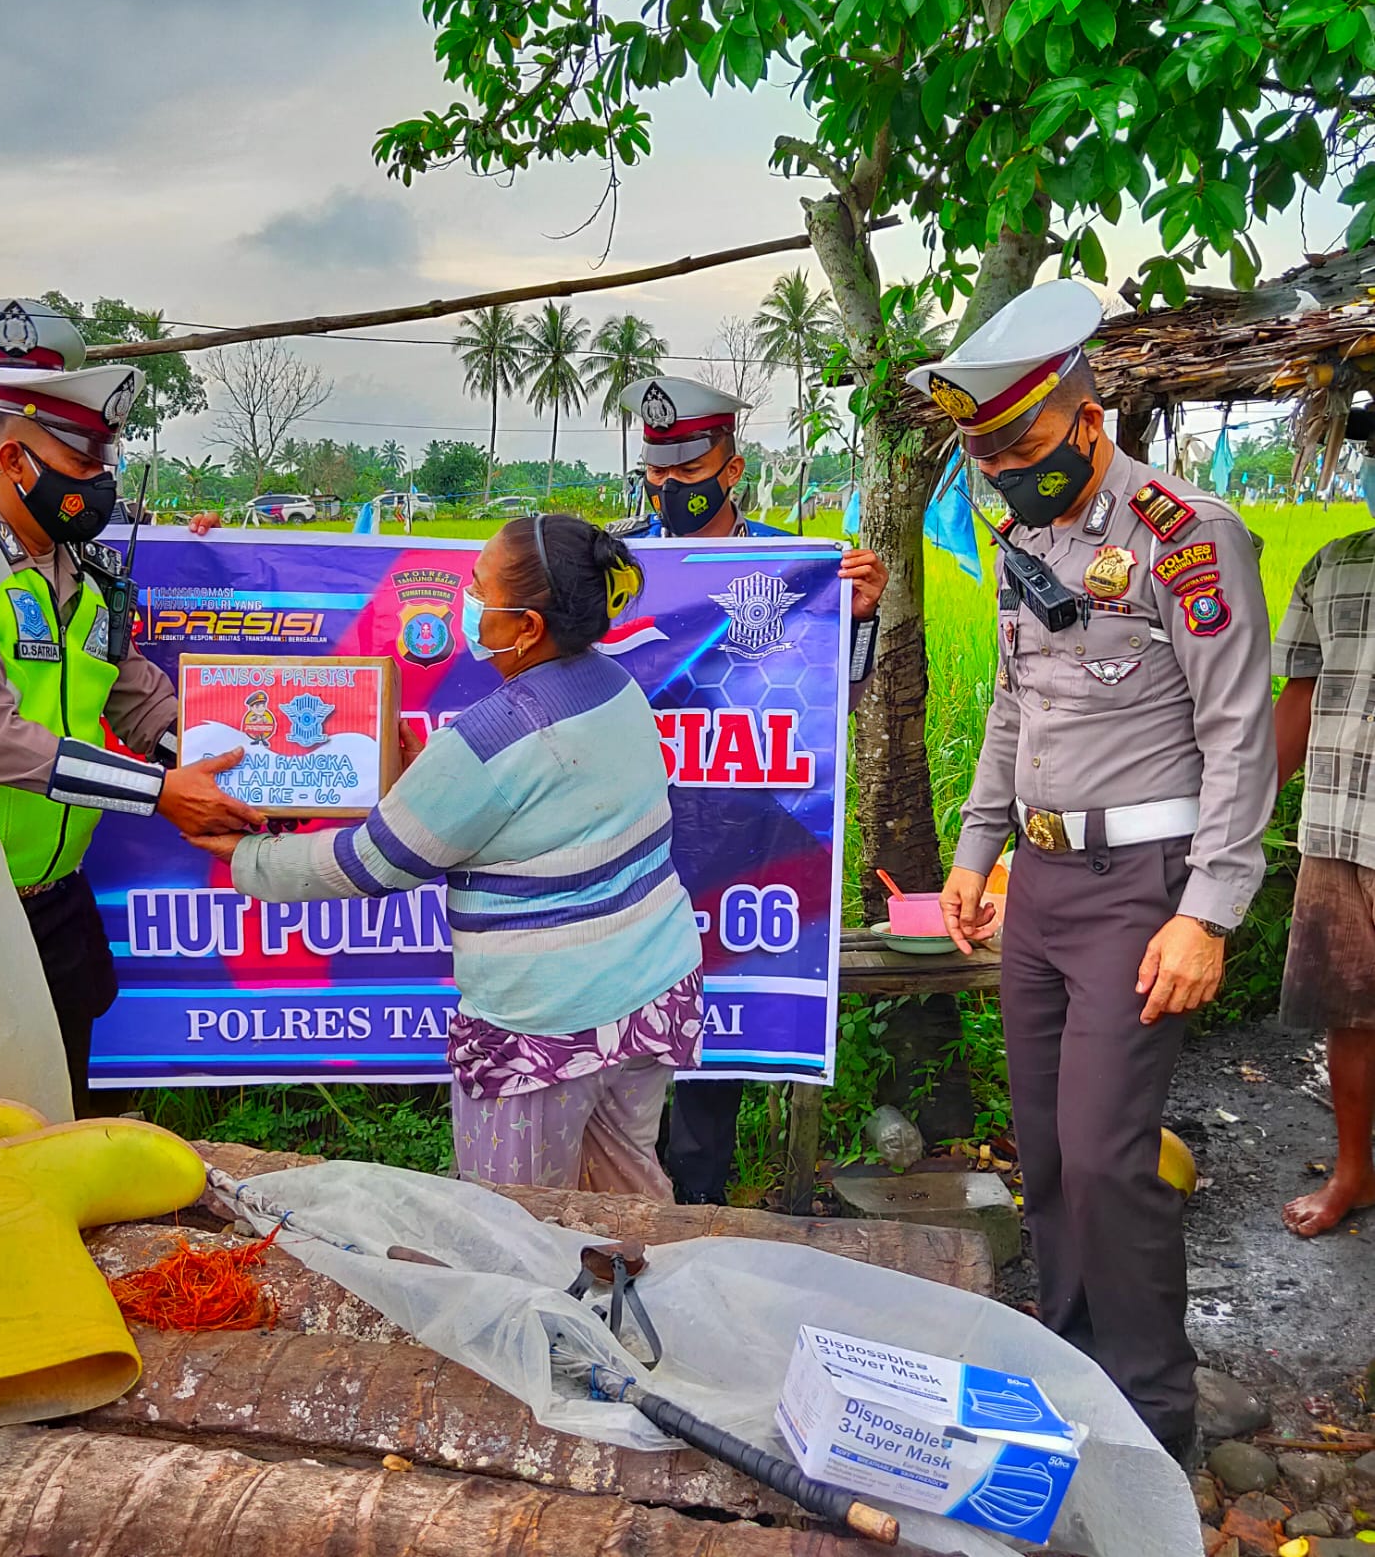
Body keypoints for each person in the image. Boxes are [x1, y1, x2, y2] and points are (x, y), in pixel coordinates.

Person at [919, 279, 1274, 1458]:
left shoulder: (1187, 536)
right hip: (1042, 883)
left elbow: (1236, 731)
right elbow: (1014, 713)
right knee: (1049, 1150)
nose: (1006, 473)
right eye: (986, 454)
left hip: (1142, 889)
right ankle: (1063, 1375)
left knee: (1112, 1158)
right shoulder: (1024, 537)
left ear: (1085, 417)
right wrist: (978, 850)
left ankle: (1152, 1423)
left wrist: (1208, 913)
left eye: (1020, 445)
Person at [186, 515, 705, 1196]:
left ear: (526, 628)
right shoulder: (614, 686)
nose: (464, 599)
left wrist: (243, 856)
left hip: (546, 1028)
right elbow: (523, 816)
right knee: (624, 1190)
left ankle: (536, 1305)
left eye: (476, 586)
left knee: (517, 1218)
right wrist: (417, 786)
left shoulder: (492, 734)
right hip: (651, 989)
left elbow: (371, 863)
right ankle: (632, 1295)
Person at [0, 298, 263, 1118]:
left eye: (105, 459)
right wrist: (160, 791)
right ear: (20, 458)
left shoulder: (86, 570)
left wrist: (209, 751)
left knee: (67, 1119)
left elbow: (132, 688)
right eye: (85, 460)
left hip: (58, 901)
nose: (101, 480)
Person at [610, 374, 889, 1206]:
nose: (669, 493)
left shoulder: (785, 566)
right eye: (655, 478)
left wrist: (857, 615)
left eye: (688, 477)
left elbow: (831, 704)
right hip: (625, 845)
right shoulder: (613, 560)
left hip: (734, 848)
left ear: (732, 470)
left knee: (704, 1076)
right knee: (617, 1073)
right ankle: (614, 1225)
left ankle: (694, 1229)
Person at [1273, 433, 1375, 1238]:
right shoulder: (1330, 564)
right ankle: (1351, 1171)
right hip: (1337, 829)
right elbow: (1298, 697)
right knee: (1349, 1012)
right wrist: (1245, 811)